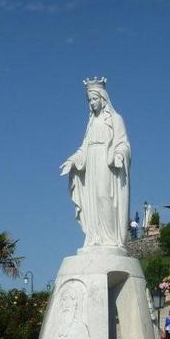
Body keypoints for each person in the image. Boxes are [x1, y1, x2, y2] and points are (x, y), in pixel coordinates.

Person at [60, 77, 131, 248]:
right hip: (91, 164)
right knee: (91, 200)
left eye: (94, 99)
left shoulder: (115, 119)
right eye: (89, 100)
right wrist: (72, 161)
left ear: (103, 98)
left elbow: (123, 143)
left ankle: (110, 238)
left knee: (103, 196)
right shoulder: (91, 123)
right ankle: (95, 236)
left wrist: (120, 155)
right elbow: (84, 148)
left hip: (107, 163)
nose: (92, 103)